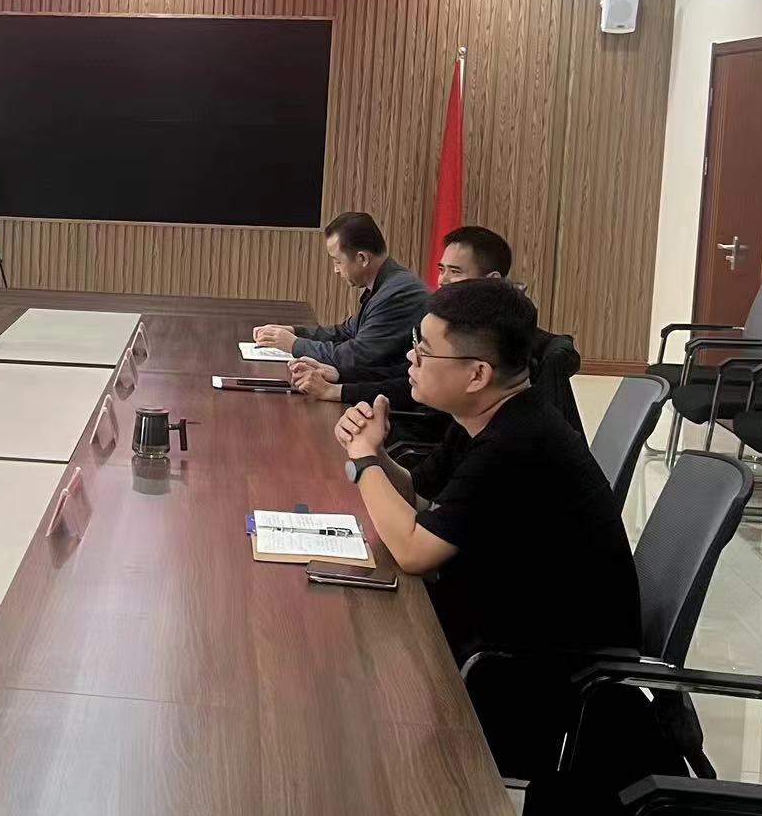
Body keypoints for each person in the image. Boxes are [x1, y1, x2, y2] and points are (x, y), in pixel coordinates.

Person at [332, 278, 639, 772]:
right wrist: (380, 453)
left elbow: (414, 550)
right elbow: (420, 496)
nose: (410, 358)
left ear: (477, 374)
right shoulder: (487, 416)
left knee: (349, 703)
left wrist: (364, 460)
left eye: (423, 351)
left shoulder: (517, 443)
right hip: (499, 626)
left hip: (536, 671)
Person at [289, 225, 511, 404]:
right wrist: (340, 375)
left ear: (492, 280)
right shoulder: (458, 319)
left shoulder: (495, 336)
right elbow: (407, 373)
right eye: (441, 269)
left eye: (455, 271)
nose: (442, 280)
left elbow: (415, 389)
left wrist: (337, 391)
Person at [252, 211, 428, 373]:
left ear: (362, 258)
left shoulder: (398, 295)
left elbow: (355, 357)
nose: (336, 270)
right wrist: (295, 332)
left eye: (337, 261)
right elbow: (345, 332)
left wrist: (294, 345)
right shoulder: (386, 284)